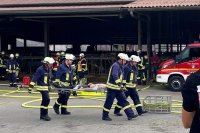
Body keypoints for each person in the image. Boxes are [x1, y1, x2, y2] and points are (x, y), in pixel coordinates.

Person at [102, 53, 138, 121]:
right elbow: (115, 75)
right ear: (121, 60)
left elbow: (122, 77)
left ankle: (130, 115)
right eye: (124, 60)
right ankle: (105, 116)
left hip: (118, 89)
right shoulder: (116, 65)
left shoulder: (120, 66)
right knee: (109, 102)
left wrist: (123, 85)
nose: (125, 62)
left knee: (124, 101)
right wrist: (120, 84)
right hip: (112, 88)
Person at [28, 57, 55, 121]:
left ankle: (42, 115)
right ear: (46, 63)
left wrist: (50, 85)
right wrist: (30, 87)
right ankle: (44, 114)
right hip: (41, 87)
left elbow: (48, 79)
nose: (52, 65)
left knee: (45, 100)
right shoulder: (40, 69)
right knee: (47, 99)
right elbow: (35, 78)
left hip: (46, 87)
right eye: (50, 63)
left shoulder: (48, 69)